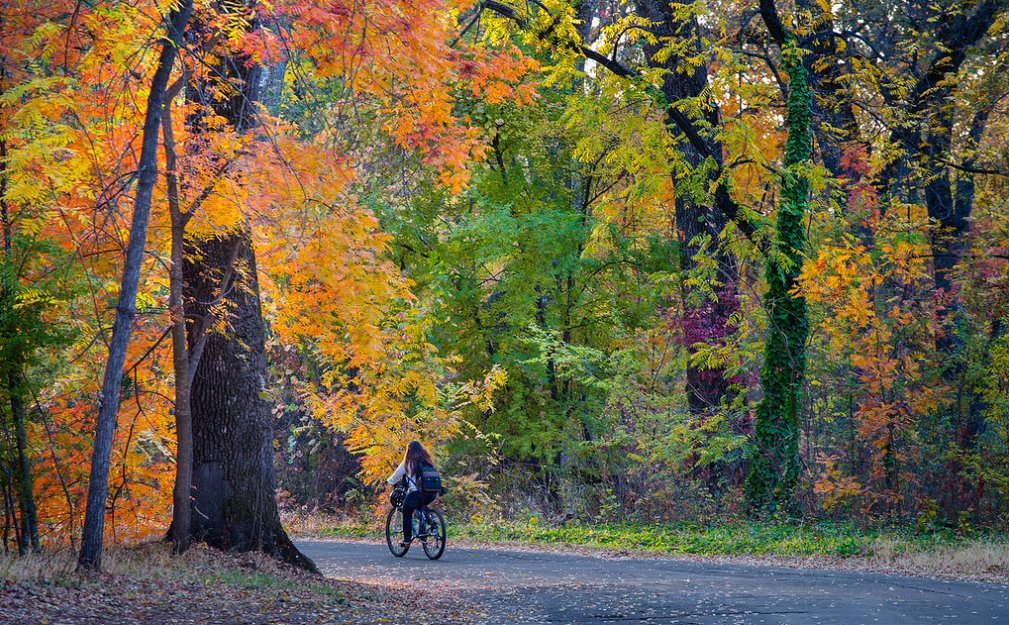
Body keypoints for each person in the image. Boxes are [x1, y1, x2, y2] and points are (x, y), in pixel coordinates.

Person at [386, 440, 440, 547]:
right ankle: (432, 522)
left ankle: (406, 541)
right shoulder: (427, 460)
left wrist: (389, 481)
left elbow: (396, 476)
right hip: (432, 492)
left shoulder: (408, 461)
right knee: (422, 506)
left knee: (407, 511)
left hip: (416, 493)